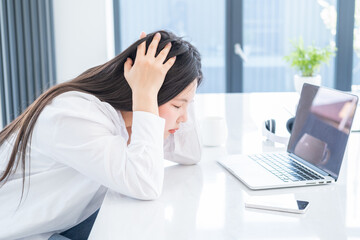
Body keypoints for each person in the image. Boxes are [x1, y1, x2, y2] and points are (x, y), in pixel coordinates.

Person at [0, 30, 203, 240]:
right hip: (20, 231)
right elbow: (146, 184)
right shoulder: (75, 115)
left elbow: (190, 153)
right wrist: (145, 96)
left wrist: (184, 81)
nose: (185, 118)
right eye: (178, 105)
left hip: (64, 219)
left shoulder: (128, 119)